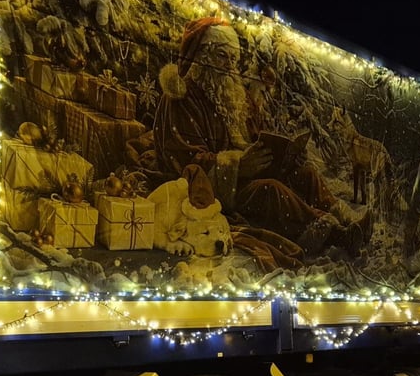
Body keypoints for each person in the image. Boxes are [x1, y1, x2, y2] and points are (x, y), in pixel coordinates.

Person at [152, 17, 367, 255]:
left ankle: (344, 217)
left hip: (248, 176)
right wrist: (238, 166)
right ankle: (338, 236)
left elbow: (255, 138)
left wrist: (280, 155)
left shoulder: (235, 95)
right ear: (202, 56)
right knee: (271, 190)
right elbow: (186, 161)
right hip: (219, 190)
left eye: (233, 59)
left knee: (305, 174)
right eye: (222, 56)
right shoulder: (183, 98)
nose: (228, 66)